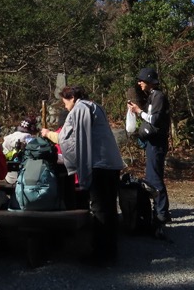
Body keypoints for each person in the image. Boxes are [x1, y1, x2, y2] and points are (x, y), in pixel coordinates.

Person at [41, 85, 125, 266]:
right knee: (109, 208)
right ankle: (110, 250)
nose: (64, 106)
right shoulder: (94, 106)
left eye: (64, 102)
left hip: (99, 164)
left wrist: (48, 134)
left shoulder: (81, 109)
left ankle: (101, 254)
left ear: (71, 97)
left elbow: (69, 139)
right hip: (110, 164)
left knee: (100, 209)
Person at [127, 67, 171, 225]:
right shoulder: (152, 96)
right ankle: (159, 211)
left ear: (149, 81)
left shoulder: (158, 96)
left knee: (154, 178)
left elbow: (154, 120)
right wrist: (136, 111)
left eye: (141, 80)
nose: (139, 83)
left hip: (157, 142)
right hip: (152, 143)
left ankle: (161, 213)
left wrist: (139, 111)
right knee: (152, 176)